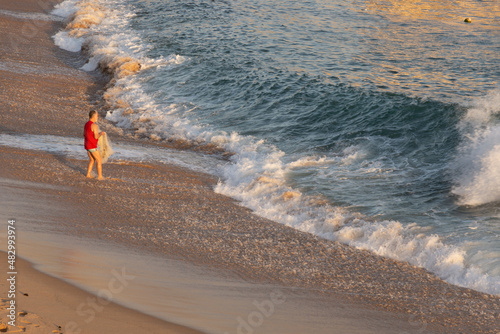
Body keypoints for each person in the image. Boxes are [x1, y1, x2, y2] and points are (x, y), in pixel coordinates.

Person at [84, 110, 106, 180]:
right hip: (92, 146)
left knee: (92, 160)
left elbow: (84, 134)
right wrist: (101, 133)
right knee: (99, 161)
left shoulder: (87, 124)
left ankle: (88, 174)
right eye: (97, 116)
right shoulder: (94, 125)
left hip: (87, 145)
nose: (97, 117)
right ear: (93, 116)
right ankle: (100, 176)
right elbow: (96, 136)